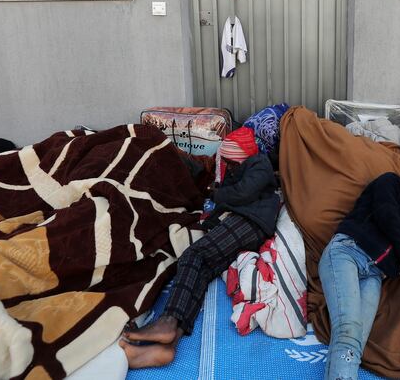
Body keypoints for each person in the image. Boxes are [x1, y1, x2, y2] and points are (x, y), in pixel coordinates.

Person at [119, 127, 280, 368]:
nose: (225, 165)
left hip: (250, 221)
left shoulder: (260, 163)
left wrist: (216, 195)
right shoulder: (247, 169)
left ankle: (167, 322)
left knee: (193, 255)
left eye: (227, 160)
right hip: (246, 221)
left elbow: (242, 193)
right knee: (202, 270)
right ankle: (166, 347)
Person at [319, 172, 400, 380]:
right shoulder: (392, 182)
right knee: (348, 330)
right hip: (347, 253)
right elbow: (386, 213)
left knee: (356, 341)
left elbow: (389, 241)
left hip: (374, 274)